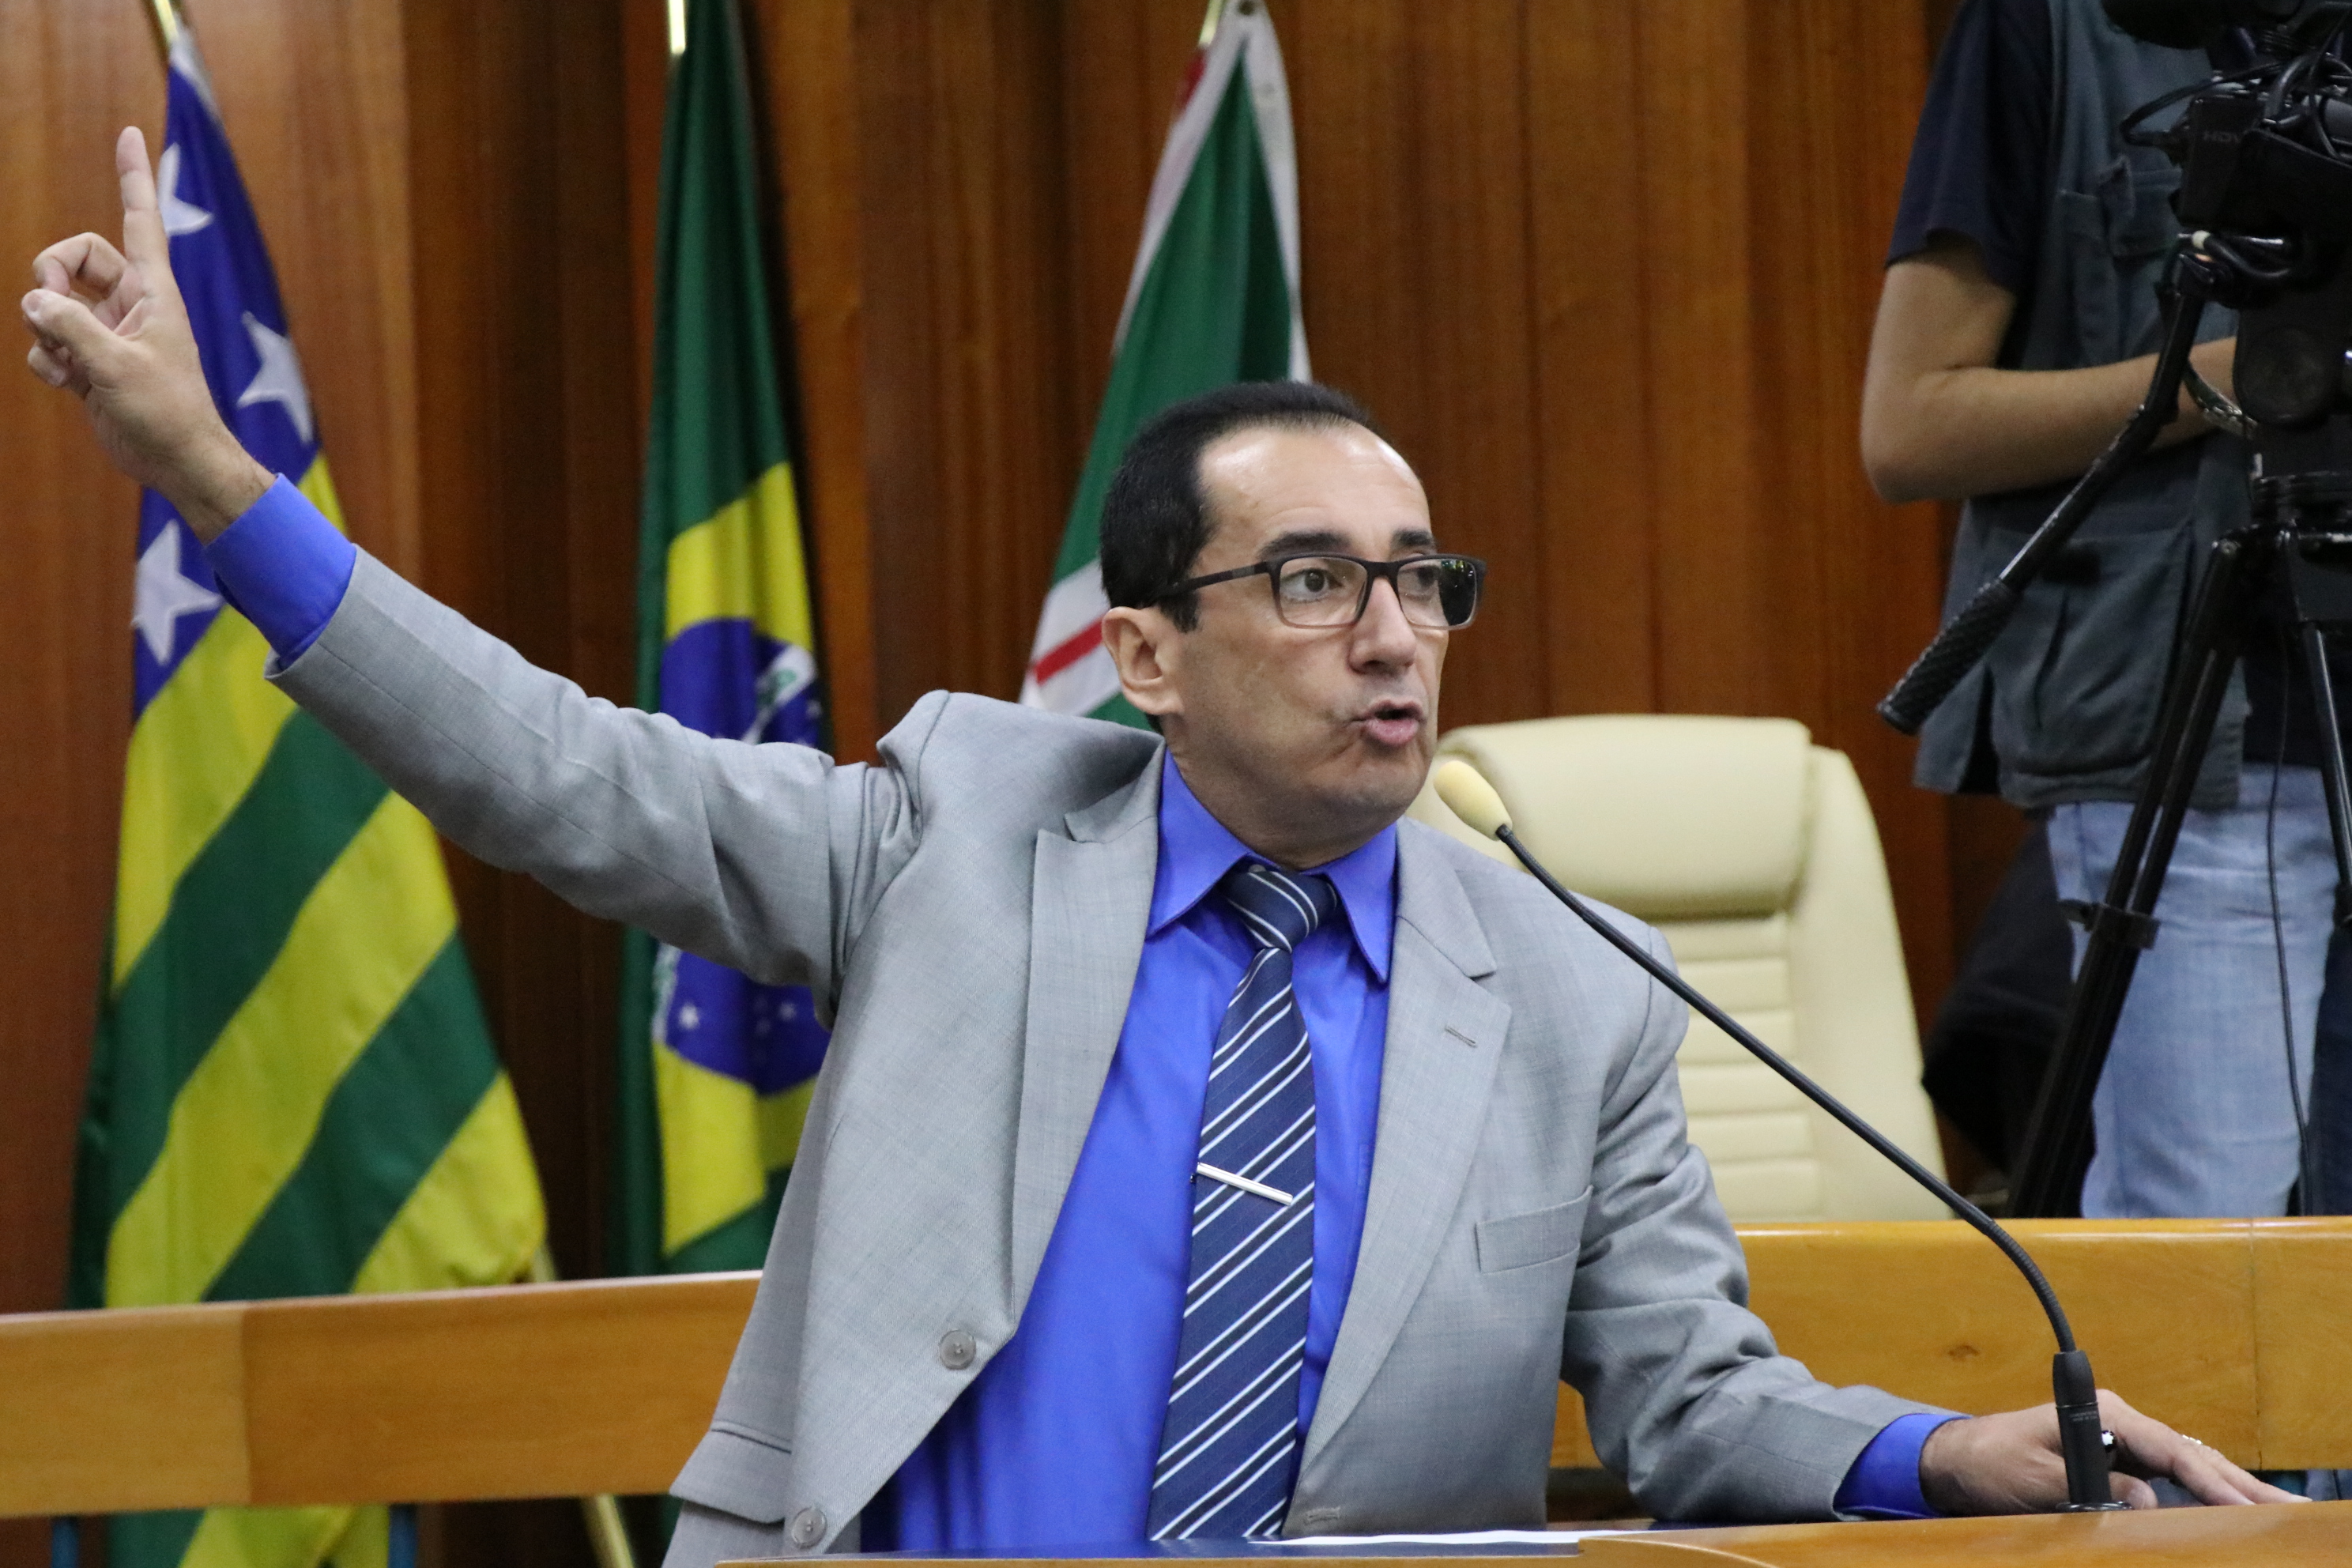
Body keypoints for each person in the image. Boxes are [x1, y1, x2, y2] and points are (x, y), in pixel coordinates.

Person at [22, 129, 2299, 1561]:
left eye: (1420, 581)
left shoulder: (1575, 985)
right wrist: (220, 485)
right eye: (1311, 581)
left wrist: (1939, 1456)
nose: (1392, 635)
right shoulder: (956, 833)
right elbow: (561, 771)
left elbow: (1694, 1403)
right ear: (1145, 656)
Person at [1862, 0, 2336, 1219]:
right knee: (2212, 1252)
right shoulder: (2053, 28)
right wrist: (2239, 374)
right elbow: (1909, 427)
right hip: (2199, 746)